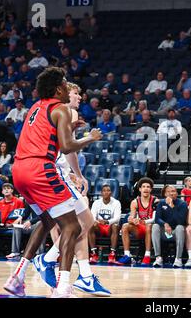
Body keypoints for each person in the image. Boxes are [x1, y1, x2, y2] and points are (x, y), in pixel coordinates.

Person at [2, 67, 102, 298]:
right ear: (58, 88)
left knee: (46, 221)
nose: (69, 87)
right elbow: (66, 147)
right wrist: (90, 137)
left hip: (19, 171)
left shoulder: (36, 107)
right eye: (66, 84)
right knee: (73, 226)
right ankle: (63, 286)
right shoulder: (61, 108)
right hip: (40, 170)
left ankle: (17, 277)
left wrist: (67, 129)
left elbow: (46, 136)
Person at [35, 82, 110, 296]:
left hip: (54, 172)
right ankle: (46, 259)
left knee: (82, 225)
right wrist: (78, 175)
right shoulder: (68, 111)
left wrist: (75, 174)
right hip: (55, 173)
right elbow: (68, 150)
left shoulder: (54, 111)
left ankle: (85, 276)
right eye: (77, 94)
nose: (80, 98)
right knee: (84, 222)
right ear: (66, 94)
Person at [115, 178, 159, 266]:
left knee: (150, 225)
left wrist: (141, 221)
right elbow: (132, 216)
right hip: (139, 229)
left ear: (151, 189)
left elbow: (154, 219)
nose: (146, 189)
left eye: (148, 187)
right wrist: (131, 219)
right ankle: (127, 255)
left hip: (151, 229)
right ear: (140, 189)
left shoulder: (155, 201)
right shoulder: (135, 202)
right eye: (143, 187)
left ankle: (147, 255)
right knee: (125, 226)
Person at [152, 185, 188, 268]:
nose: (171, 193)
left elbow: (180, 221)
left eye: (173, 191)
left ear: (177, 193)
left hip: (176, 232)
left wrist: (172, 206)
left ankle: (178, 259)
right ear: (165, 194)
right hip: (165, 232)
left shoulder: (182, 204)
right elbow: (157, 219)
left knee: (180, 227)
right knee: (155, 226)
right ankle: (158, 258)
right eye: (168, 191)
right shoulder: (161, 203)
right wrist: (165, 224)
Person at [88, 184, 122, 265]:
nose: (106, 192)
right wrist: (96, 221)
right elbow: (92, 216)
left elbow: (117, 218)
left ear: (111, 193)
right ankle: (93, 253)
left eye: (108, 190)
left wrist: (107, 222)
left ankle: (112, 254)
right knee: (91, 225)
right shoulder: (96, 203)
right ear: (101, 193)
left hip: (110, 227)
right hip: (99, 227)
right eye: (104, 191)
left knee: (115, 225)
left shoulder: (116, 203)